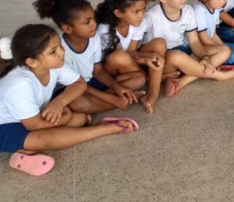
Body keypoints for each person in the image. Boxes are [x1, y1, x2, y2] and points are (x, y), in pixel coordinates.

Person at [0, 25, 138, 176]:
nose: (62, 52)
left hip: (32, 118)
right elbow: (34, 125)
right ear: (32, 62)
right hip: (5, 126)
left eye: (60, 45)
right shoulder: (19, 84)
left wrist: (59, 102)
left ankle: (27, 151)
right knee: (43, 139)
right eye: (53, 51)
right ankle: (104, 129)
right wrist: (65, 118)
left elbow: (79, 83)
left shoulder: (54, 65)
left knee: (79, 119)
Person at [34, 0, 141, 113]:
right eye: (87, 22)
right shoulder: (60, 50)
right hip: (73, 88)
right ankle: (118, 101)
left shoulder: (93, 37)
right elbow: (76, 84)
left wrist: (117, 87)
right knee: (77, 103)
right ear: (67, 28)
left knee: (138, 79)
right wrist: (112, 99)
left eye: (94, 18)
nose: (94, 24)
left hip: (92, 82)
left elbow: (98, 70)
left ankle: (103, 102)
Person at [142, 0, 234, 98]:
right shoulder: (151, 16)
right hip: (164, 60)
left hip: (183, 50)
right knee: (176, 56)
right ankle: (220, 75)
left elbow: (194, 41)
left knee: (224, 50)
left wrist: (205, 58)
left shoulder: (187, 11)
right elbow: (140, 46)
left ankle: (182, 81)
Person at [95, 0, 167, 114]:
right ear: (118, 13)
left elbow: (132, 52)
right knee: (119, 57)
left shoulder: (139, 23)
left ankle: (153, 93)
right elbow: (116, 58)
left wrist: (145, 58)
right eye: (136, 11)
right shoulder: (104, 30)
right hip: (110, 70)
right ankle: (154, 77)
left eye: (143, 9)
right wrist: (144, 60)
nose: (141, 15)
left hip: (129, 63)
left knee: (159, 44)